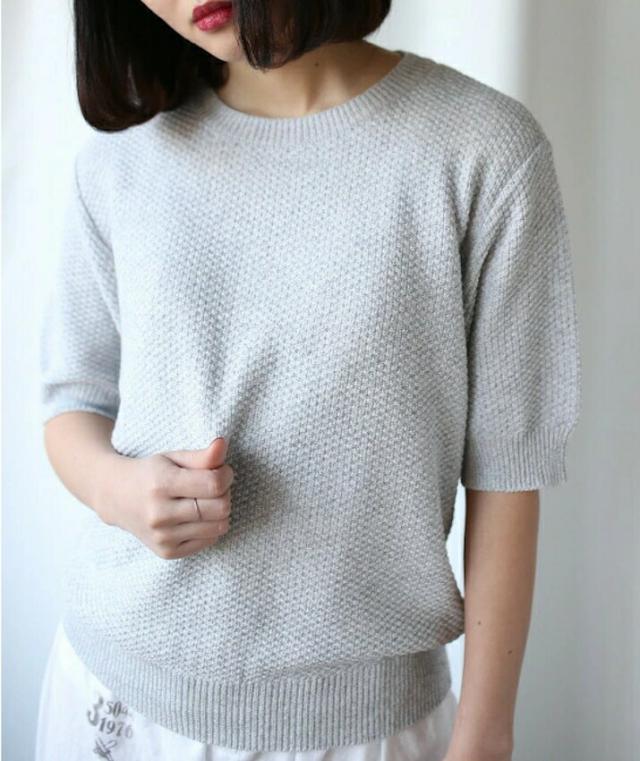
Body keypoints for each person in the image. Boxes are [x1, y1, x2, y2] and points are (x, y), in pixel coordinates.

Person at [35, 1, 581, 759]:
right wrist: (116, 489)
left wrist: (483, 740)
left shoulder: (482, 152)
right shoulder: (124, 156)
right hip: (115, 701)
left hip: (360, 729)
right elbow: (73, 399)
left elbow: (509, 469)